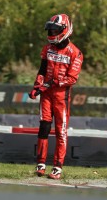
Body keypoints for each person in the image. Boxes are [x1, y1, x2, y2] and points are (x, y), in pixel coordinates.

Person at [29, 14, 83, 179]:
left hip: (61, 97)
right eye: (50, 29)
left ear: (65, 30)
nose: (52, 32)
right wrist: (37, 86)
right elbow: (42, 70)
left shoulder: (76, 53)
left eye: (55, 29)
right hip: (46, 94)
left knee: (61, 131)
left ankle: (58, 166)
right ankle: (41, 163)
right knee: (44, 126)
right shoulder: (47, 48)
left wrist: (54, 83)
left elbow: (72, 79)